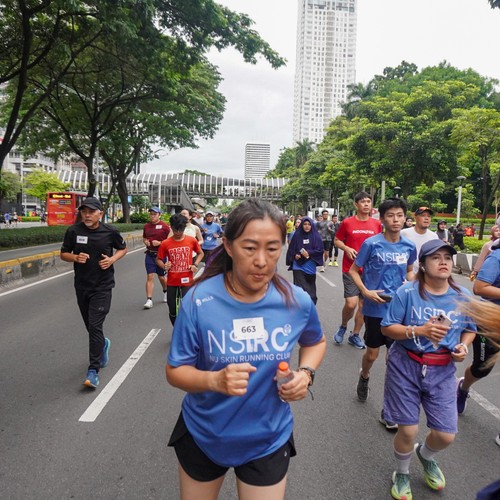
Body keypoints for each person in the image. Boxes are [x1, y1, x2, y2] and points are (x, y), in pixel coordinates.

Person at [166, 198, 326, 500]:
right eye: (250, 248)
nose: (262, 261)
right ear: (228, 246)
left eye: (272, 248)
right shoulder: (198, 300)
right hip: (204, 434)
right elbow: (175, 371)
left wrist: (305, 373)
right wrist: (214, 380)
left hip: (268, 437)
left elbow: (315, 341)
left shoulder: (297, 301)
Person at [380, 239, 475, 500]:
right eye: (436, 257)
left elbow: (470, 329)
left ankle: (425, 455)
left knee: (446, 435)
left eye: (448, 257)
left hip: (442, 370)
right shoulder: (407, 293)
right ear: (422, 264)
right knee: (408, 430)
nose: (443, 262)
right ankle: (402, 473)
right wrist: (419, 330)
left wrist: (463, 346)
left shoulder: (463, 296)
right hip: (406, 365)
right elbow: (387, 327)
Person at [349, 197, 416, 428]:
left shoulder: (409, 246)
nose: (396, 220)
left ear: (405, 218)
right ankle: (364, 375)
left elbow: (409, 271)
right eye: (390, 215)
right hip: (375, 308)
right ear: (383, 219)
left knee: (394, 359)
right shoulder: (371, 244)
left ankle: (389, 410)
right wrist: (365, 291)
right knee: (372, 355)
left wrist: (415, 284)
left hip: (399, 310)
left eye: (400, 215)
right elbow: (354, 270)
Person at [60, 197, 128, 389]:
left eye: (91, 212)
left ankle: (93, 371)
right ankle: (103, 344)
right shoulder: (74, 231)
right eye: (84, 212)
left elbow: (123, 248)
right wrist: (75, 257)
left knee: (95, 326)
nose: (87, 215)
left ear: (100, 213)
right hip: (82, 286)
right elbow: (63, 254)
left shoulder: (110, 231)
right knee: (90, 327)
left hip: (102, 287)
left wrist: (112, 259)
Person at [333, 191, 382, 349]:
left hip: (370, 271)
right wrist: (346, 248)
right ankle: (343, 326)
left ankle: (355, 334)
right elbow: (337, 240)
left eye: (368, 201)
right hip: (350, 268)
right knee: (351, 303)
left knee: (362, 305)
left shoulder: (377, 224)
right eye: (363, 202)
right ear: (356, 205)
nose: (366, 204)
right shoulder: (347, 223)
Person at [456, 240, 500, 415]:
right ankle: (463, 387)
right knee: (482, 368)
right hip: (489, 320)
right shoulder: (496, 257)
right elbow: (479, 287)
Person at [156, 214, 203, 326]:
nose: (178, 232)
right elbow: (158, 259)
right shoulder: (165, 243)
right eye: (175, 229)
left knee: (187, 308)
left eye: (181, 229)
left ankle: (187, 330)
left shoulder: (191, 240)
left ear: (184, 227)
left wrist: (195, 264)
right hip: (172, 281)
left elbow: (201, 253)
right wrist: (164, 265)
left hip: (187, 281)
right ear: (171, 227)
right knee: (172, 310)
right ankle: (176, 329)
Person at [286, 216, 324, 304]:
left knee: (312, 295)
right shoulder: (297, 235)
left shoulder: (316, 236)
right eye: (305, 224)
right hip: (298, 266)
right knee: (302, 291)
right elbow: (291, 249)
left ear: (312, 226)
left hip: (310, 268)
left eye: (309, 224)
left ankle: (309, 308)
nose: (307, 226)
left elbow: (320, 250)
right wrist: (295, 255)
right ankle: (300, 309)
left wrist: (309, 253)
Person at [142, 207, 170, 309]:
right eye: (151, 214)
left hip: (161, 255)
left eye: (155, 214)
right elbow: (144, 237)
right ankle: (149, 300)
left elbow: (170, 240)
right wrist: (145, 242)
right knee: (150, 276)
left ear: (159, 215)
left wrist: (160, 243)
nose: (152, 216)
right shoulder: (146, 226)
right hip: (150, 254)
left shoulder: (165, 227)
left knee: (161, 277)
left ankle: (166, 291)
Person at [401, 206, 439, 273]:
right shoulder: (404, 233)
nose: (426, 218)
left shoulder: (434, 237)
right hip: (405, 275)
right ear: (415, 218)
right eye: (423, 215)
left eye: (429, 216)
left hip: (426, 275)